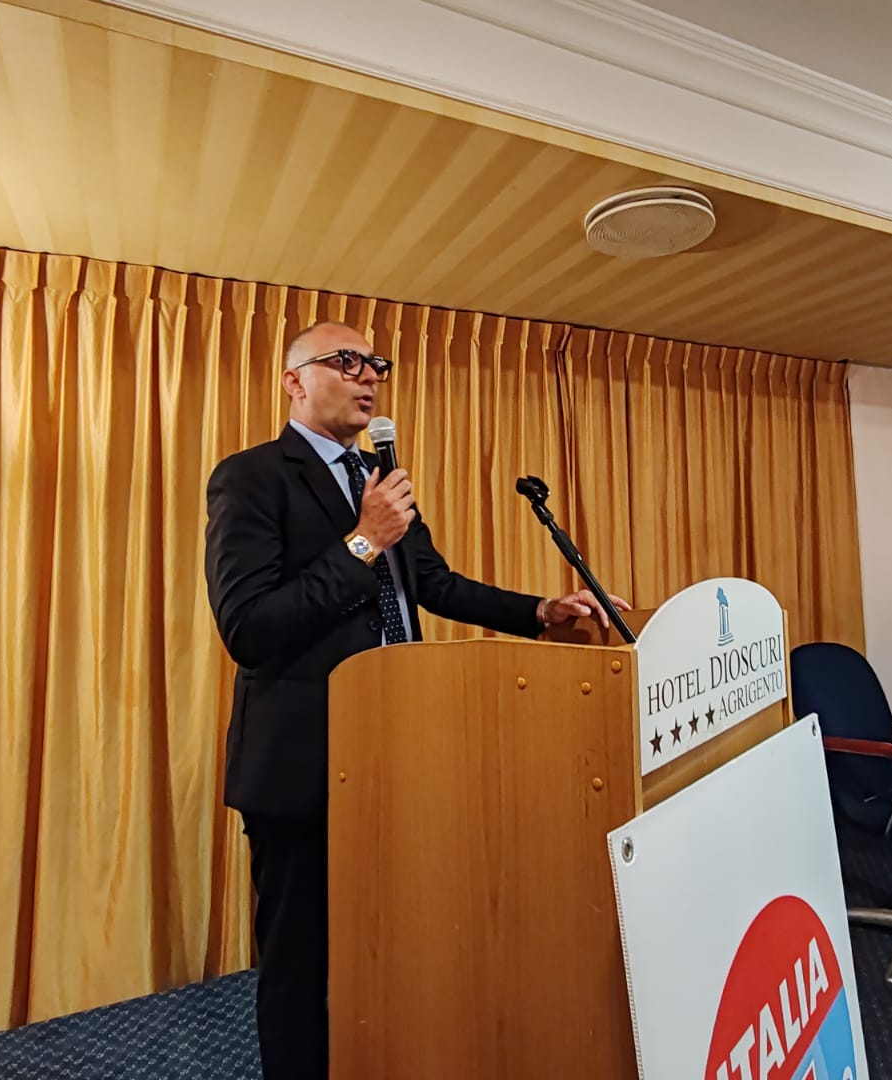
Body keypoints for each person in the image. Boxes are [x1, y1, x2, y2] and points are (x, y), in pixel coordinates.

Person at [203, 321, 627, 1080]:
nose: (369, 376)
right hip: (304, 765)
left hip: (397, 745)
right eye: (346, 361)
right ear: (294, 381)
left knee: (389, 945)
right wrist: (364, 541)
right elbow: (249, 629)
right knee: (301, 962)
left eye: (375, 363)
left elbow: (432, 584)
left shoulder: (379, 479)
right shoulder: (252, 477)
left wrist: (539, 610)